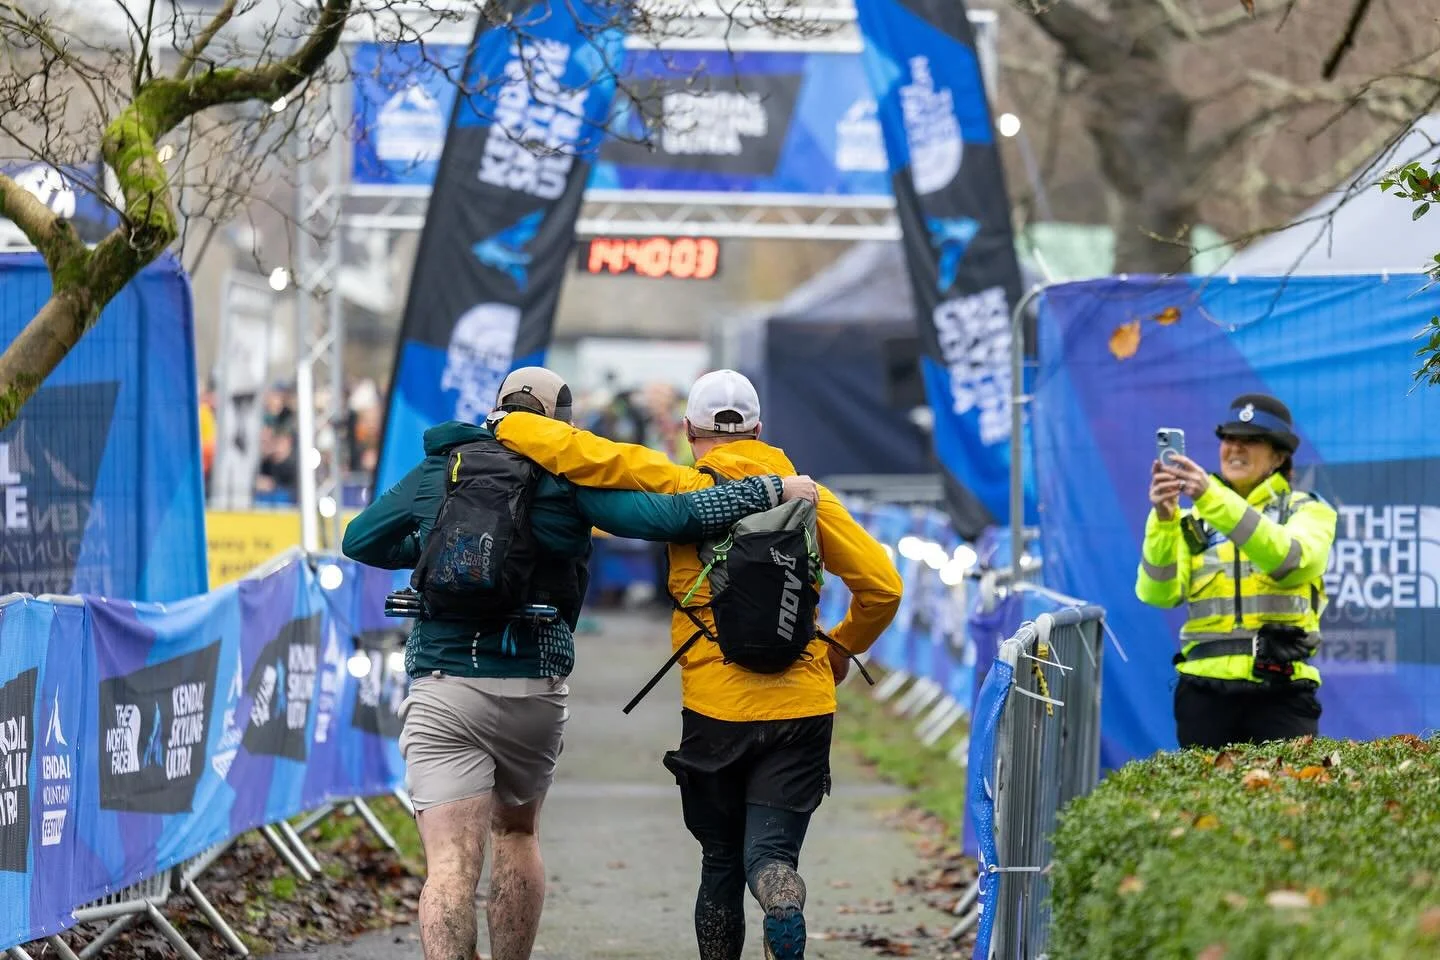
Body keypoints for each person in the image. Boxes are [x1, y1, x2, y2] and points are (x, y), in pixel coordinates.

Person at [342, 367, 816, 960]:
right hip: (533, 685)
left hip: (444, 682)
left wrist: (437, 544)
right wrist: (768, 491)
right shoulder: (565, 478)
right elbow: (670, 518)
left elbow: (360, 540)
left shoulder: (443, 469)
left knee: (450, 869)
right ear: (560, 423)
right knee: (516, 834)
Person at [489, 369, 903, 960]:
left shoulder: (682, 486)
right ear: (759, 430)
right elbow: (883, 588)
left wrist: (509, 424)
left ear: (688, 430)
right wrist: (837, 649)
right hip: (802, 706)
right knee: (770, 854)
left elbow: (590, 454)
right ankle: (780, 891)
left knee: (720, 861)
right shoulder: (809, 498)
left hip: (715, 707)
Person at [1136, 394, 1338, 750]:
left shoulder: (1309, 511)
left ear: (1279, 457)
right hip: (1203, 693)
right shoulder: (1191, 519)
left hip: (1283, 689)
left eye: (1252, 440)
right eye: (1229, 438)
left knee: (1289, 789)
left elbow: (1290, 561)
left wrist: (1210, 497)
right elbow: (1158, 594)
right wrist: (1164, 520)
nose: (1236, 448)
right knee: (1202, 790)